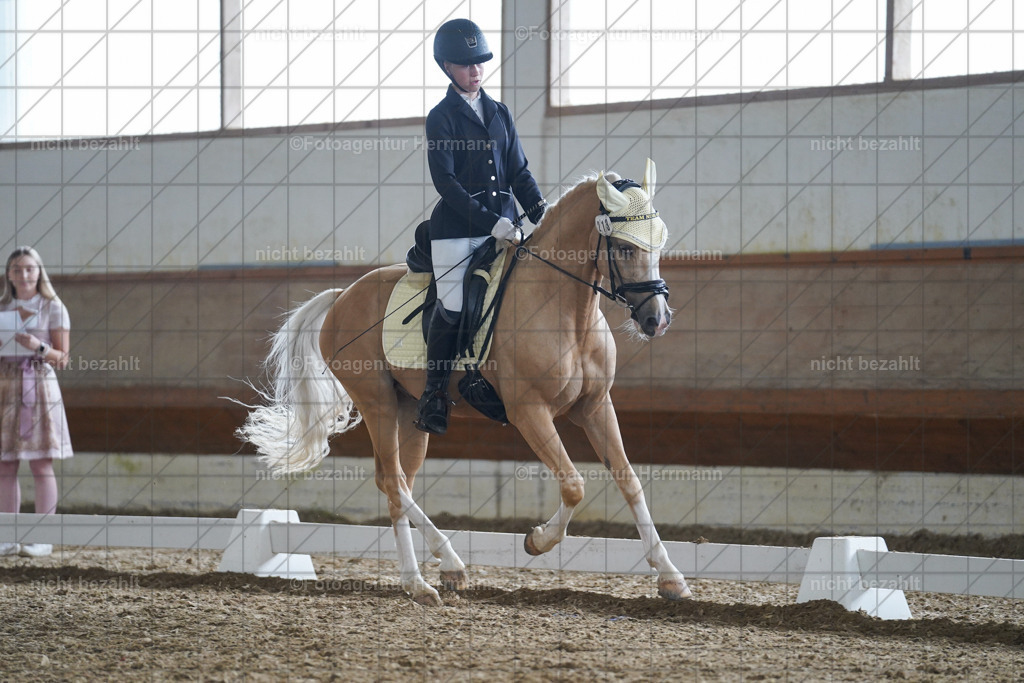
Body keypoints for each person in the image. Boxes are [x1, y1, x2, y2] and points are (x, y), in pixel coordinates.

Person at [416, 18, 547, 435]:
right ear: (446, 68)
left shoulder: (499, 113)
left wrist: (543, 212)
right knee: (453, 305)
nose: (475, 71)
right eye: (465, 64)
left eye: (480, 63)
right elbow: (446, 185)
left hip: (505, 224)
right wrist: (493, 222)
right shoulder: (441, 118)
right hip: (457, 230)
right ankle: (435, 393)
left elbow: (519, 172)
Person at [0, 246, 72, 557]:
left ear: (39, 271)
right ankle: (7, 536)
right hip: (5, 386)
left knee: (41, 462)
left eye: (30, 268)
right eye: (17, 269)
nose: (24, 274)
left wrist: (37, 345)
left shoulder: (53, 306)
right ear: (9, 275)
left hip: (38, 385)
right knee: (5, 464)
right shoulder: (2, 306)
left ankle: (43, 537)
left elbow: (63, 358)